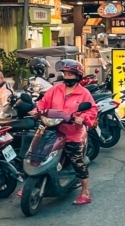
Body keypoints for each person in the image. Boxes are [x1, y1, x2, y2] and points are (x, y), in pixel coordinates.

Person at [34, 60, 97, 205]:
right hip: (52, 129)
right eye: (65, 74)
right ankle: (29, 185)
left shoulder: (84, 93)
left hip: (72, 133)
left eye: (70, 74)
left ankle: (85, 192)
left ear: (78, 76)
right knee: (36, 154)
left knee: (77, 161)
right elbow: (43, 102)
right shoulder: (55, 89)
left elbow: (92, 110)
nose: (67, 77)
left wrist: (82, 117)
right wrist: (36, 111)